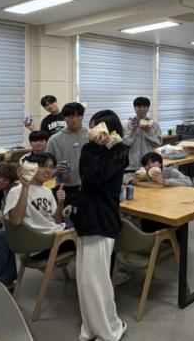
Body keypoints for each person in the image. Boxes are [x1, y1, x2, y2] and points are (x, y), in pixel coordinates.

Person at [73, 110, 128, 341]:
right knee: (85, 280)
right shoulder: (88, 149)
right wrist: (96, 148)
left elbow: (96, 179)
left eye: (99, 127)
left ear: (111, 130)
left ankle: (110, 328)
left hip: (103, 219)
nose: (94, 131)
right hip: (85, 219)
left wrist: (105, 147)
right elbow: (85, 179)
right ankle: (90, 326)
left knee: (96, 280)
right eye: (93, 126)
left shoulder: (120, 152)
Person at [46, 102, 87, 207]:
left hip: (88, 187)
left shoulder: (91, 136)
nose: (74, 120)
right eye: (70, 116)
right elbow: (46, 169)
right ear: (64, 118)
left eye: (77, 116)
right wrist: (55, 169)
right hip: (64, 188)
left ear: (82, 117)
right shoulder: (54, 140)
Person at [123, 97, 162, 180]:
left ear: (148, 108)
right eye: (139, 107)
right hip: (130, 165)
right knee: (131, 185)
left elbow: (158, 143)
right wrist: (132, 131)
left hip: (148, 165)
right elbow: (124, 144)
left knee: (148, 187)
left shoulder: (154, 125)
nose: (142, 109)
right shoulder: (127, 124)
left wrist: (148, 131)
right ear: (134, 108)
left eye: (144, 107)